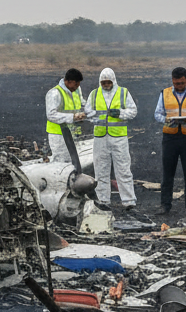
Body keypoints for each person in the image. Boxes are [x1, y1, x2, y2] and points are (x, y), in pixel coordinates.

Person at [85, 67, 139, 213]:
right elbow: (88, 112)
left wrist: (120, 113)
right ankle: (103, 200)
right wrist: (94, 118)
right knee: (101, 169)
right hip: (101, 137)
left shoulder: (123, 92)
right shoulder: (94, 94)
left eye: (108, 82)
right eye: (103, 82)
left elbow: (133, 111)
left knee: (123, 169)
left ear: (113, 81)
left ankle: (128, 201)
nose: (106, 84)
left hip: (119, 137)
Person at [153, 67, 186, 216]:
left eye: (182, 83)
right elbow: (157, 113)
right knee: (167, 174)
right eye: (176, 83)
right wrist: (167, 120)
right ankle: (165, 206)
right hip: (170, 138)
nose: (179, 86)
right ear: (172, 81)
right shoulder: (164, 93)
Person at [45, 68, 87, 160]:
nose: (76, 87)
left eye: (78, 84)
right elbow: (51, 115)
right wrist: (73, 117)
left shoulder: (76, 90)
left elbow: (82, 103)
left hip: (73, 134)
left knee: (73, 163)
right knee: (62, 164)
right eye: (75, 84)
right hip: (59, 136)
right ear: (68, 81)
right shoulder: (55, 93)